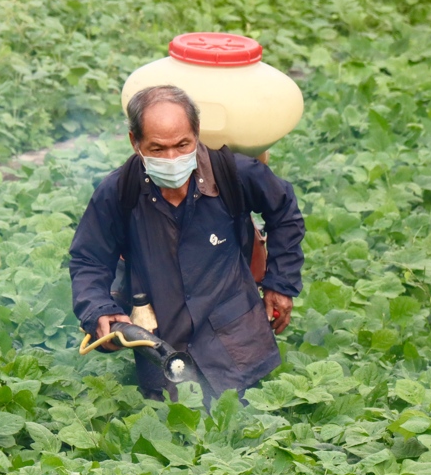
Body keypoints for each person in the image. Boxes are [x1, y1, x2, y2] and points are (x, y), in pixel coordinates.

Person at [69, 85, 305, 401]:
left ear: (196, 134)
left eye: (183, 145)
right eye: (157, 148)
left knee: (251, 430)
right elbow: (89, 260)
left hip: (238, 345)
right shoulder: (118, 192)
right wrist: (99, 310)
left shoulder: (232, 174)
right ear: (134, 142)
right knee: (175, 431)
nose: (172, 158)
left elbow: (285, 211)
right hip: (164, 352)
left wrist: (281, 283)